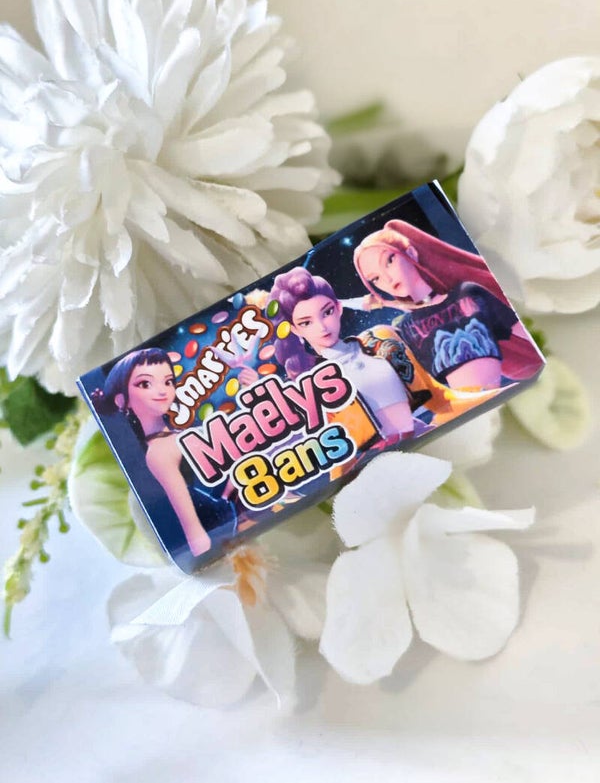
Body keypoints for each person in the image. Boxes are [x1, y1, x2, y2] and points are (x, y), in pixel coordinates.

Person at [352, 219, 542, 391]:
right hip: (467, 406)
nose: (387, 279)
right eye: (375, 278)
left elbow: (531, 338)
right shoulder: (405, 327)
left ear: (410, 252)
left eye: (389, 261)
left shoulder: (467, 295)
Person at [92, 348, 236, 557]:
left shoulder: (175, 435)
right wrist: (206, 559)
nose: (162, 391)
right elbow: (192, 527)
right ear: (121, 401)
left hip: (231, 511)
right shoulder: (158, 453)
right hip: (218, 525)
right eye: (145, 384)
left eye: (168, 382)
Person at [268, 267, 427, 441]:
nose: (322, 327)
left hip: (422, 431)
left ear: (338, 308)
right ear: (295, 329)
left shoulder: (378, 339)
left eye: (327, 312)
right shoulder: (315, 383)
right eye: (306, 323)